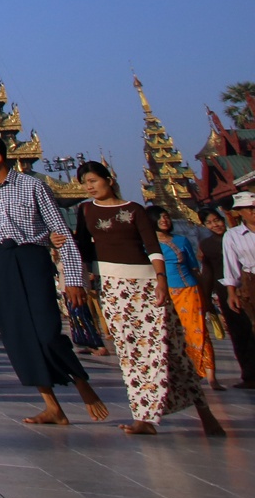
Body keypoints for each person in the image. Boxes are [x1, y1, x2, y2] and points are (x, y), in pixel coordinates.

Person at [0, 133, 108, 425]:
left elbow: (61, 232)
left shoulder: (33, 186)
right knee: (19, 337)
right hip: (1, 261)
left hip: (32, 257)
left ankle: (81, 381)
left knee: (47, 330)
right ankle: (51, 405)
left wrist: (73, 279)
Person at [72, 162, 221, 435]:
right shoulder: (85, 210)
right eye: (85, 183)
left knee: (170, 349)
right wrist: (79, 275)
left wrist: (161, 279)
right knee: (130, 353)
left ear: (109, 180)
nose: (89, 186)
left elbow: (152, 246)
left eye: (93, 180)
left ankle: (205, 412)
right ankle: (144, 417)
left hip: (146, 284)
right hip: (113, 286)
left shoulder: (134, 210)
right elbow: (82, 246)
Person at [151, 206, 215, 389]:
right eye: (160, 218)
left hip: (188, 289)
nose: (164, 221)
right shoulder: (148, 244)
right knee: (170, 334)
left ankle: (209, 374)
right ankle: (181, 374)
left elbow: (194, 267)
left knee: (198, 330)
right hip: (163, 292)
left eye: (166, 217)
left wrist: (205, 293)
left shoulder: (181, 240)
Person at [200, 206, 255, 387]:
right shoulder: (206, 245)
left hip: (245, 286)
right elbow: (207, 272)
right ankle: (248, 374)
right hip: (225, 291)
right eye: (209, 222)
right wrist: (206, 298)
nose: (215, 225)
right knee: (240, 333)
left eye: (217, 220)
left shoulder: (237, 236)